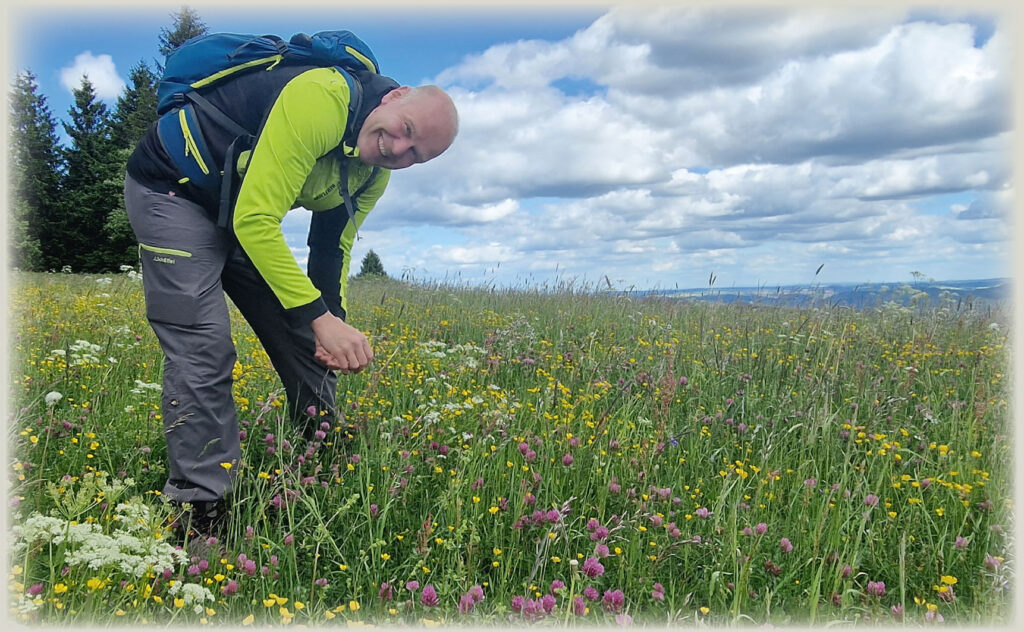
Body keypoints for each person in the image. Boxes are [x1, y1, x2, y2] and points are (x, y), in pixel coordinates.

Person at [123, 57, 458, 547]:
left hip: (235, 207)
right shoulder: (321, 98)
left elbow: (332, 248)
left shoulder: (372, 174)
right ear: (394, 96)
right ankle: (197, 509)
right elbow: (257, 220)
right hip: (172, 190)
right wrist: (320, 319)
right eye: (405, 130)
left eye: (416, 155)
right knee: (204, 349)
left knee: (312, 333)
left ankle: (320, 449)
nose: (399, 149)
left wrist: (332, 324)